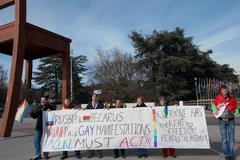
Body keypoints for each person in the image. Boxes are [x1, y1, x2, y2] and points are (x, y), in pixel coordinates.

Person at [213, 85, 238, 160]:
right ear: (221, 91)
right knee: (224, 139)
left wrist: (235, 111)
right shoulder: (218, 98)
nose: (225, 92)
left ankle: (231, 154)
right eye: (223, 91)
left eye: (226, 91)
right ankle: (226, 155)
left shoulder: (232, 98)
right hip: (222, 121)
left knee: (231, 139)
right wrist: (215, 111)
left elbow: (235, 106)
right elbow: (214, 106)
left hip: (231, 120)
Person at [86, 94, 104, 158]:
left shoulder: (101, 105)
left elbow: (104, 114)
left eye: (96, 97)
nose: (94, 98)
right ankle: (91, 153)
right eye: (93, 97)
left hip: (98, 126)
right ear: (92, 98)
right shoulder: (89, 104)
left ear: (97, 98)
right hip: (90, 126)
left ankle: (99, 153)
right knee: (90, 139)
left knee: (98, 139)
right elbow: (85, 115)